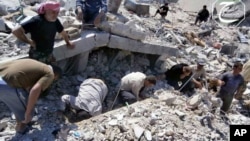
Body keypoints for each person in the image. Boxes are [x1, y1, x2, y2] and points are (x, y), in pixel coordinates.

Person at [0, 59, 62, 134]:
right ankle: (21, 128)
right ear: (55, 75)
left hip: (2, 77)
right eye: (54, 79)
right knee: (26, 109)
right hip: (5, 84)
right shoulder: (50, 74)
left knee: (23, 98)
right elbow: (34, 90)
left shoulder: (35, 63)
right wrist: (28, 112)